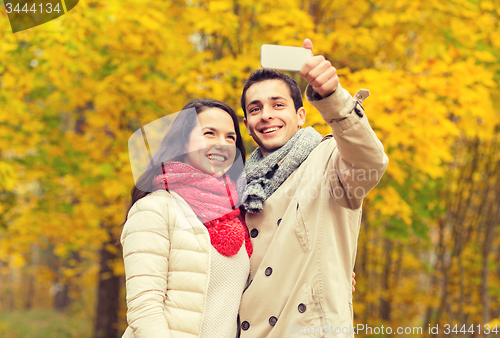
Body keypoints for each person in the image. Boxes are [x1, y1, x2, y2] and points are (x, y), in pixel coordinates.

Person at [237, 39, 389, 337]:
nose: (266, 114)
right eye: (255, 109)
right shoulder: (240, 189)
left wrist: (332, 96)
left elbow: (370, 161)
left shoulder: (329, 159)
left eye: (277, 105)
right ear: (247, 123)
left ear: (301, 115)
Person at [120, 99, 252, 338]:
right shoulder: (155, 209)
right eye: (209, 133)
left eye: (230, 137)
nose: (221, 144)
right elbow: (145, 312)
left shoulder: (239, 216)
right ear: (184, 142)